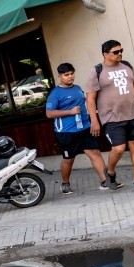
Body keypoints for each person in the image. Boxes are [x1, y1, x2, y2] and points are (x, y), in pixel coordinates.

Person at [85, 40, 134, 192]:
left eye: (121, 50)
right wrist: (94, 120)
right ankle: (110, 172)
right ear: (105, 54)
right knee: (118, 148)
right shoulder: (97, 71)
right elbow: (90, 98)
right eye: (116, 52)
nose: (120, 54)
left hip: (133, 114)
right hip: (111, 117)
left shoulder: (127, 66)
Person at [45, 63, 112, 194]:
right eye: (66, 75)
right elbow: (49, 113)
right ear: (59, 76)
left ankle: (105, 181)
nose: (70, 77)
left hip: (85, 128)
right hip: (66, 132)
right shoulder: (55, 93)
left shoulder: (77, 88)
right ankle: (65, 184)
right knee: (69, 159)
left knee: (95, 153)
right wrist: (70, 112)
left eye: (72, 74)